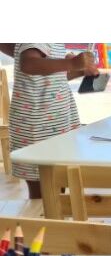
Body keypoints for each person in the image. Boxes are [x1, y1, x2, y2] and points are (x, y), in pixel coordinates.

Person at [0, 43, 97, 199]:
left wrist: (79, 70)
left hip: (55, 124)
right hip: (39, 126)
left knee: (57, 184)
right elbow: (29, 64)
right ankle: (47, 215)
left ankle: (55, 214)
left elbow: (52, 75)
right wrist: (71, 63)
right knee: (44, 191)